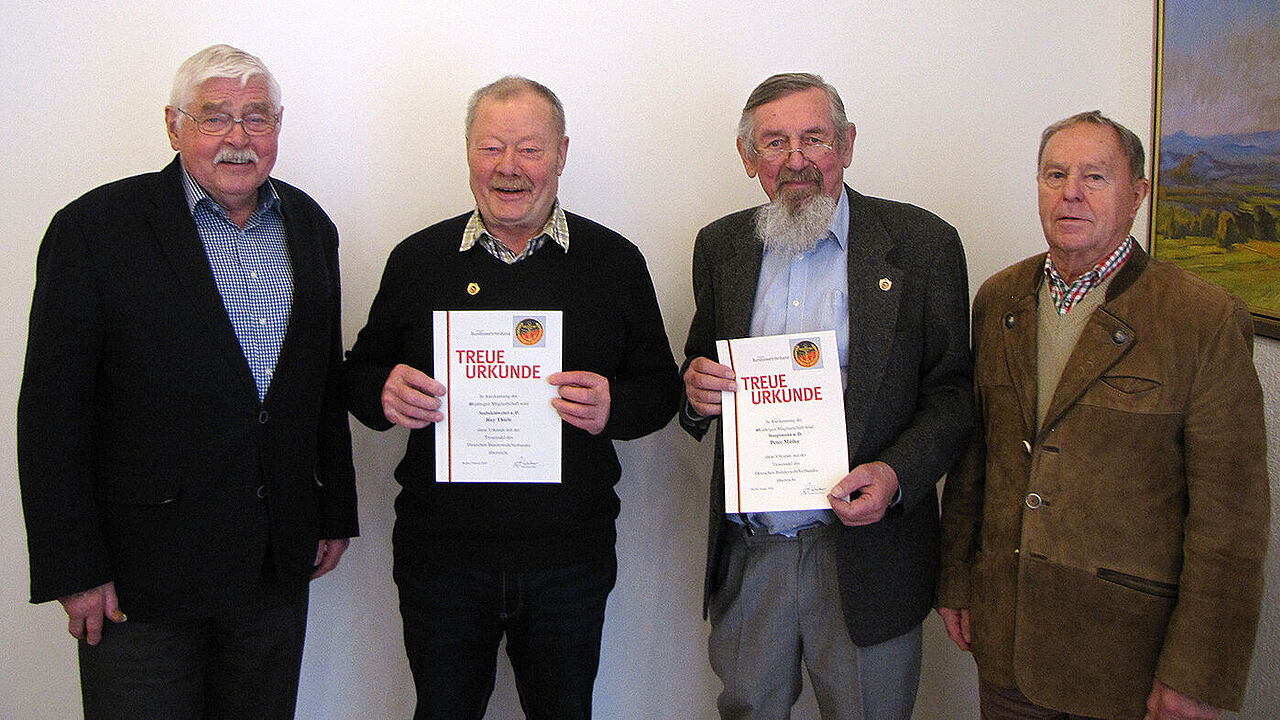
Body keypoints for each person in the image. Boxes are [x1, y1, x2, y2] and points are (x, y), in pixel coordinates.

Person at [17, 44, 358, 719]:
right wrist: (73, 567)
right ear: (173, 126)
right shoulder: (94, 231)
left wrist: (332, 509)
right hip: (142, 577)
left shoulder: (310, 227)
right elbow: (53, 415)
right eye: (214, 117)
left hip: (273, 563)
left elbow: (320, 385)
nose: (238, 137)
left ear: (279, 126)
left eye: (256, 117)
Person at [342, 76, 680, 720]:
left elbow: (660, 388)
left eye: (529, 149)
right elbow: (359, 374)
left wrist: (616, 407)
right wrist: (381, 390)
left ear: (561, 154)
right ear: (468, 153)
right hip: (442, 559)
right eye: (491, 147)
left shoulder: (613, 262)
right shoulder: (418, 260)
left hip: (568, 560)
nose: (508, 168)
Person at [937, 110, 1270, 720]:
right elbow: (975, 456)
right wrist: (957, 579)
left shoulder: (1203, 319)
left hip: (1125, 659)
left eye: (1095, 176)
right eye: (1055, 174)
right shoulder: (999, 299)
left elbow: (1232, 519)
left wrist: (1198, 674)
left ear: (1138, 194)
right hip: (1006, 643)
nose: (1071, 193)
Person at [679, 72, 972, 720]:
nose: (796, 159)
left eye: (813, 138)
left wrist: (895, 474)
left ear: (847, 143)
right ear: (749, 157)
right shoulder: (721, 247)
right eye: (775, 142)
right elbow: (699, 369)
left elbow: (953, 395)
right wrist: (695, 393)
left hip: (869, 559)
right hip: (754, 554)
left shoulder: (922, 245)